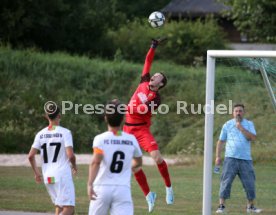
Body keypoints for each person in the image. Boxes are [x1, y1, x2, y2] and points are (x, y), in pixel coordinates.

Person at [123, 38, 174, 213]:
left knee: (157, 158)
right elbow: (148, 61)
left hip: (141, 130)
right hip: (127, 129)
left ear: (160, 84)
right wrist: (153, 46)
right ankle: (149, 195)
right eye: (154, 74)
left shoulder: (156, 98)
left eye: (158, 76)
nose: (154, 75)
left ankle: (168, 187)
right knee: (134, 166)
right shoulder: (144, 81)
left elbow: (142, 110)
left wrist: (128, 107)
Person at [87, 99, 142, 215]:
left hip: (101, 188)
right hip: (123, 189)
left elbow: (96, 162)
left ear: (106, 118)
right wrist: (127, 166)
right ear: (122, 119)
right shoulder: (131, 140)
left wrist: (89, 184)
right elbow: (138, 162)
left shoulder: (100, 139)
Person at [28, 105, 77, 215]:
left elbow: (30, 156)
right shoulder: (65, 132)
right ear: (59, 115)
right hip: (61, 175)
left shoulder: (40, 134)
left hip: (48, 176)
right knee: (69, 209)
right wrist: (74, 166)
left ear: (46, 116)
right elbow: (71, 156)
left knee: (59, 206)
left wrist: (36, 173)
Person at [215, 103, 262, 214]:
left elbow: (253, 137)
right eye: (236, 111)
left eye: (240, 111)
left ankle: (250, 207)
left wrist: (241, 128)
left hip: (246, 159)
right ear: (233, 113)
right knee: (225, 182)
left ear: (243, 112)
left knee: (249, 183)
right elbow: (221, 141)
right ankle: (222, 206)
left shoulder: (249, 124)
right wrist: (218, 156)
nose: (238, 113)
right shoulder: (227, 124)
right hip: (230, 158)